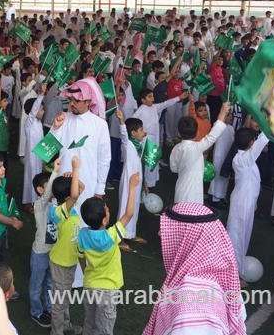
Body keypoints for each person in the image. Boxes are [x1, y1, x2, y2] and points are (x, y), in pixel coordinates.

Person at [142, 203, 246, 335]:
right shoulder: (217, 279)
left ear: (190, 239)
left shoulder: (190, 307)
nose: (160, 233)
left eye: (171, 230)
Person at [78, 171, 140, 335]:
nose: (108, 209)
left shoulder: (83, 234)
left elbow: (80, 257)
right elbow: (129, 214)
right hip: (108, 291)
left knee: (89, 323)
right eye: (106, 209)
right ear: (105, 220)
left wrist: (86, 273)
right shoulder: (112, 235)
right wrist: (132, 188)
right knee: (104, 328)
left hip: (90, 285)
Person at [50, 79, 111, 210]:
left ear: (88, 102)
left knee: (83, 221)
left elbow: (104, 159)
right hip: (62, 182)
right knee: (61, 221)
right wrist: (55, 128)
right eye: (70, 100)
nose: (72, 104)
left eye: (76, 101)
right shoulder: (63, 118)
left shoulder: (100, 125)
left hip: (87, 182)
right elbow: (47, 150)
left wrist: (100, 189)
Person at [226, 128, 269, 281]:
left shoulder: (245, 158)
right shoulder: (243, 159)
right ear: (251, 142)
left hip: (246, 202)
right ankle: (234, 275)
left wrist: (254, 202)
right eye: (253, 139)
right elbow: (261, 143)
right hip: (242, 203)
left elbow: (253, 183)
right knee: (237, 238)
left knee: (241, 236)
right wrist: (270, 127)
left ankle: (235, 269)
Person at [48, 156, 83, 335]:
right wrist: (76, 169)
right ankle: (57, 331)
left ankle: (66, 326)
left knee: (65, 296)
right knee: (59, 301)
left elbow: (80, 189)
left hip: (69, 261)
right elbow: (76, 194)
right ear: (68, 195)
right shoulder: (59, 212)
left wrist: (72, 178)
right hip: (61, 263)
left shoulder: (69, 207)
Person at [170, 102, 230, 204]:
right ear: (197, 132)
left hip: (180, 191)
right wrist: (223, 112)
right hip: (194, 195)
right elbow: (213, 135)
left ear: (179, 133)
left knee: (180, 217)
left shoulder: (176, 148)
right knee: (193, 218)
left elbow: (174, 168)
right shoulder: (197, 147)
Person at [132, 88, 189, 187]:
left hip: (154, 139)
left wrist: (179, 97)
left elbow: (166, 103)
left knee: (153, 162)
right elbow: (132, 122)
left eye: (152, 96)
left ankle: (150, 183)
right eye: (149, 97)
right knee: (148, 163)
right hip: (146, 140)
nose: (152, 98)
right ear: (143, 100)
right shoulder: (140, 110)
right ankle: (146, 184)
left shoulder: (154, 107)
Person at [29, 159, 60, 328]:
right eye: (48, 185)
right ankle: (37, 312)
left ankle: (48, 308)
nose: (51, 188)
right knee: (36, 284)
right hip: (40, 252)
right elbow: (49, 193)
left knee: (49, 282)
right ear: (40, 189)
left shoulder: (56, 203)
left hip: (53, 252)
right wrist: (55, 171)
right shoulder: (39, 205)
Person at [115, 109, 145, 248]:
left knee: (135, 206)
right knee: (124, 207)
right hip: (128, 182)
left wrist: (143, 183)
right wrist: (121, 120)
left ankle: (131, 233)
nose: (143, 132)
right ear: (133, 133)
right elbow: (123, 134)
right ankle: (120, 238)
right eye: (140, 130)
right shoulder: (129, 144)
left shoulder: (139, 145)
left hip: (137, 182)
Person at [22, 89, 46, 206]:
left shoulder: (38, 122)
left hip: (38, 155)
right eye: (41, 109)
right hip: (31, 157)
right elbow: (34, 110)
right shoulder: (29, 122)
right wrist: (41, 94)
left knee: (38, 177)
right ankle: (28, 202)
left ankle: (36, 200)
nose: (43, 111)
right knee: (30, 178)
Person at [207, 112, 235, 206]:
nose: (231, 117)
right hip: (219, 155)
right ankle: (215, 198)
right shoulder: (218, 125)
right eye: (228, 115)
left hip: (227, 156)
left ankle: (221, 196)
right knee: (217, 175)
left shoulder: (231, 128)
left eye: (231, 115)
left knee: (224, 177)